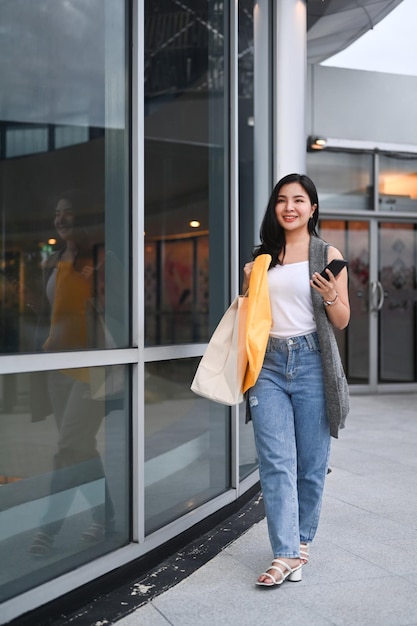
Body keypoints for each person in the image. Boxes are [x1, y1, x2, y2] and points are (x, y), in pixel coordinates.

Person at [242, 173, 350, 587]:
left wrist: (329, 295)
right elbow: (251, 317)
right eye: (282, 200)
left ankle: (302, 540)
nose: (290, 207)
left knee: (311, 462)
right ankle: (285, 552)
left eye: (299, 200)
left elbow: (341, 321)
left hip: (311, 362)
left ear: (312, 208)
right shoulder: (263, 257)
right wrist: (250, 282)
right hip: (267, 364)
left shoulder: (327, 253)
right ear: (275, 208)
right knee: (275, 460)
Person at [29, 190, 114, 556]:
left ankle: (48, 529)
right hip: (56, 367)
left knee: (67, 447)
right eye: (57, 214)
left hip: (90, 368)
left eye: (69, 212)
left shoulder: (99, 259)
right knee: (79, 448)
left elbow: (117, 309)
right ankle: (106, 513)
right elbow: (46, 312)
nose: (62, 219)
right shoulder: (52, 262)